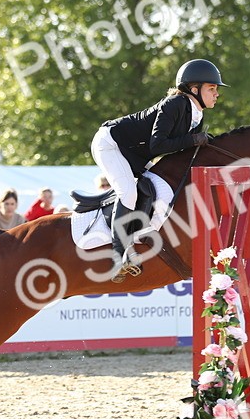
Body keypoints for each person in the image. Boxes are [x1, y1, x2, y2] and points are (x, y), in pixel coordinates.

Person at [91, 59, 223, 277]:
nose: (216, 94)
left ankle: (140, 236)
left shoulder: (196, 115)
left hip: (134, 153)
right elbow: (158, 145)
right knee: (129, 192)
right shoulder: (175, 104)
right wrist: (194, 140)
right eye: (212, 88)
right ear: (194, 89)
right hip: (111, 144)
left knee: (160, 189)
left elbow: (184, 152)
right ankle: (118, 256)